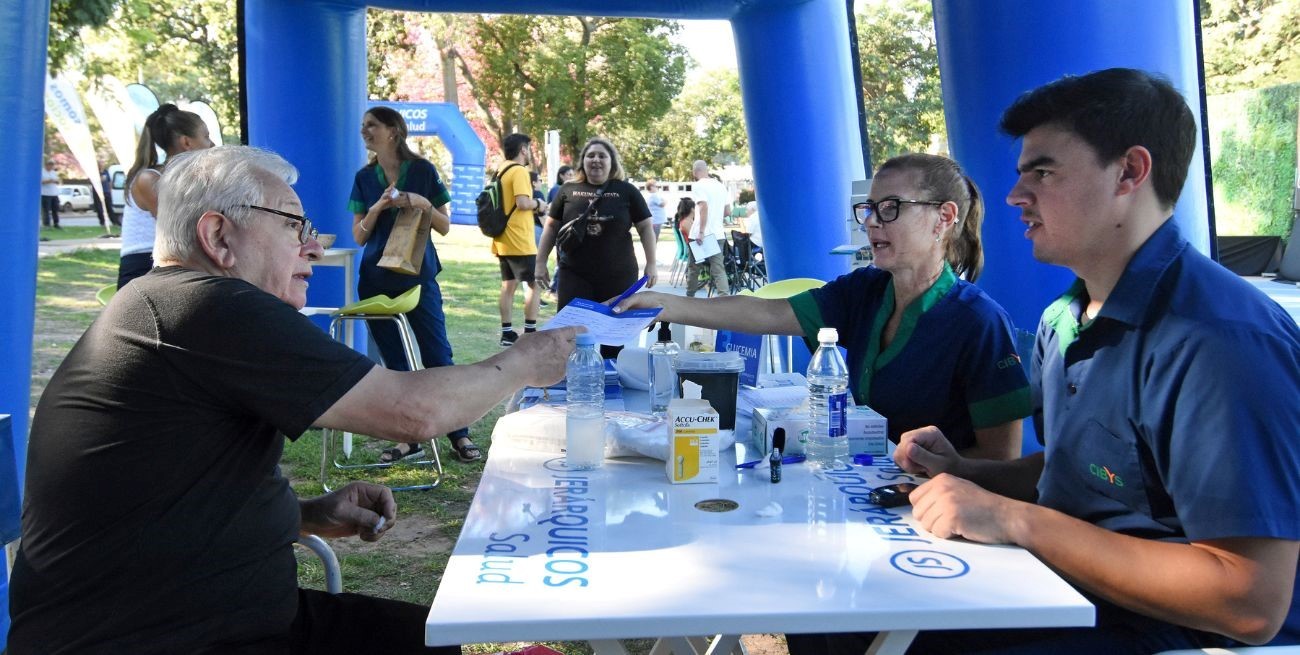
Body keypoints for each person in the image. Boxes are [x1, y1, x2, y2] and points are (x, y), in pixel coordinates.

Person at [9, 145, 578, 655]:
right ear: (218, 238)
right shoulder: (204, 306)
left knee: (432, 640)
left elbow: (159, 501)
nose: (314, 243)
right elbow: (413, 411)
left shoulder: (170, 304)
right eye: (293, 224)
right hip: (154, 636)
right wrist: (526, 361)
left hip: (206, 616)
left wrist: (305, 514)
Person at [848, 68, 1300, 654]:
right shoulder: (1066, 318)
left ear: (1130, 172)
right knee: (849, 612)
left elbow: (1248, 604)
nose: (1015, 196)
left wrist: (1012, 519)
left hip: (1175, 635)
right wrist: (964, 473)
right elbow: (1088, 474)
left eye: (1043, 172)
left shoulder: (1219, 342)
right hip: (1067, 590)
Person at [617, 153, 1028, 458]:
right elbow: (767, 313)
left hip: (938, 524)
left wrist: (935, 472)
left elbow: (1001, 461)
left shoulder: (978, 322)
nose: (870, 221)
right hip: (870, 490)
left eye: (890, 208)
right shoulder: (866, 289)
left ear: (944, 217)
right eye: (869, 208)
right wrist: (662, 304)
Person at [349, 106, 481, 463]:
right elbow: (359, 236)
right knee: (394, 363)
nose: (365, 131)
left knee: (437, 354)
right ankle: (408, 438)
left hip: (418, 277)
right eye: (363, 126)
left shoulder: (422, 171)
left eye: (371, 125)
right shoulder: (364, 177)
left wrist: (422, 203)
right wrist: (377, 208)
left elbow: (445, 225)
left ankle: (459, 434)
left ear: (393, 131)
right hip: (375, 279)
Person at [535, 137, 657, 356]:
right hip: (575, 274)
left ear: (612, 162)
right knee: (571, 336)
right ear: (583, 162)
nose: (596, 160)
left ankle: (609, 380)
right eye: (591, 155)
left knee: (612, 339)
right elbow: (551, 228)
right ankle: (573, 380)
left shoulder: (627, 191)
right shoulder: (567, 190)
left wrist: (652, 264)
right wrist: (540, 263)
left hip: (618, 275)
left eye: (602, 155)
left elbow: (646, 227)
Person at [118, 103, 213, 288]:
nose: (212, 145)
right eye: (207, 137)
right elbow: (179, 229)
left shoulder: (186, 181)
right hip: (143, 267)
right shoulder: (149, 179)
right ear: (187, 142)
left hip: (171, 265)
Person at [491, 133, 545, 347]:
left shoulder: (500, 170)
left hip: (502, 237)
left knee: (508, 285)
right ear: (523, 149)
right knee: (534, 284)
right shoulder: (520, 171)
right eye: (529, 148)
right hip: (519, 238)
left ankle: (507, 332)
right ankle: (530, 331)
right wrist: (539, 205)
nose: (530, 152)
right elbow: (522, 203)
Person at [686, 160, 731, 296]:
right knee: (718, 269)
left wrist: (701, 231)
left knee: (694, 268)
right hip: (717, 233)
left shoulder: (698, 186)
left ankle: (689, 297)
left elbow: (703, 207)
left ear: (694, 172)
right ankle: (725, 299)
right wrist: (715, 218)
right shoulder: (721, 186)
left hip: (701, 234)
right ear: (707, 170)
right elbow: (727, 212)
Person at [40, 159, 60, 229]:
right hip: (45, 193)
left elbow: (58, 180)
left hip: (54, 193)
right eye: (50, 165)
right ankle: (46, 224)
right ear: (46, 165)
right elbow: (41, 181)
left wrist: (56, 181)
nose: (51, 166)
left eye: (52, 165)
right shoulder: (42, 172)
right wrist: (49, 181)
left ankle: (56, 223)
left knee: (55, 209)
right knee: (46, 210)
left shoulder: (53, 172)